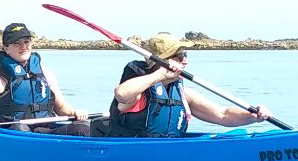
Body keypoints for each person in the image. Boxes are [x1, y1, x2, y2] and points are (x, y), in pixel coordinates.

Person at [101, 33, 273, 138]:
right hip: (131, 150)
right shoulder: (138, 93)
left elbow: (222, 115)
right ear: (162, 60)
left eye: (185, 54)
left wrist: (253, 116)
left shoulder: (184, 94)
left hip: (168, 150)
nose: (185, 61)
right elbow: (121, 94)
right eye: (179, 56)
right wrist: (161, 74)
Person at [0, 22, 95, 135]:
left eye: (26, 42)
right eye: (17, 44)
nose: (23, 47)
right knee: (21, 128)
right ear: (6, 48)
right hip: (15, 133)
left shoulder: (45, 73)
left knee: (82, 127)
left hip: (46, 130)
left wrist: (75, 112)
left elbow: (61, 108)